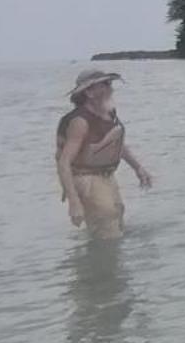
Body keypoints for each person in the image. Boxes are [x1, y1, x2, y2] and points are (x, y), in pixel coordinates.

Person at [56, 69, 154, 239]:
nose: (111, 89)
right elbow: (64, 162)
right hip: (86, 179)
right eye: (106, 84)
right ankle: (98, 262)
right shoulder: (80, 121)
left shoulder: (108, 113)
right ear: (89, 92)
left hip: (106, 176)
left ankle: (109, 263)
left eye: (110, 84)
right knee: (107, 225)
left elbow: (115, 144)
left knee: (117, 217)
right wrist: (74, 201)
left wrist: (138, 168)